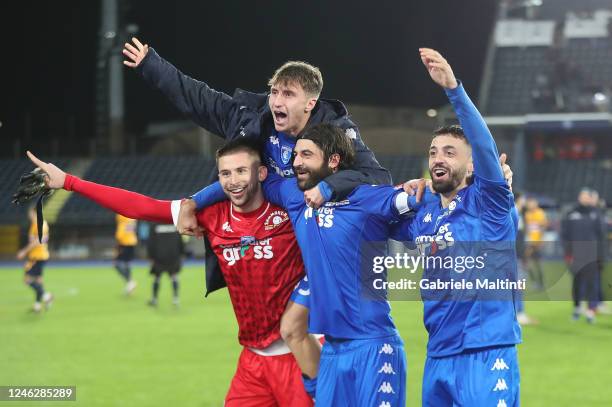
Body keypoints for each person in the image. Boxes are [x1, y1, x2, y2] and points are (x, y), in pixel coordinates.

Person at [123, 37, 391, 390]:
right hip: (278, 248)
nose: (277, 101)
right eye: (274, 92)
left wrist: (327, 187)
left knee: (323, 338)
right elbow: (199, 99)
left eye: (288, 95)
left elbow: (379, 179)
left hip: (325, 253)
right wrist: (150, 64)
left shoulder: (337, 133)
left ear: (311, 103)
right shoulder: (256, 120)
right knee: (291, 336)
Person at [26, 143, 314, 406]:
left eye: (241, 171)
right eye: (225, 173)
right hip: (252, 360)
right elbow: (141, 207)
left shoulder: (291, 213)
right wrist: (69, 182)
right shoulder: (212, 215)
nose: (233, 180)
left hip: (298, 353)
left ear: (262, 172)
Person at [391, 48, 521, 406]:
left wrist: (453, 89)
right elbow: (375, 218)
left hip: (485, 351)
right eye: (434, 152)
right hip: (437, 356)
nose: (438, 159)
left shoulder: (490, 204)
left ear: (473, 165)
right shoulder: (425, 217)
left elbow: (483, 144)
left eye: (450, 152)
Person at [561, 188, 606, 324]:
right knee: (577, 283)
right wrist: (567, 253)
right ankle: (577, 308)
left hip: (591, 254)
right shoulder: (571, 213)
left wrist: (601, 256)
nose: (584, 198)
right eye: (582, 196)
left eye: (587, 196)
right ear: (579, 197)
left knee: (592, 284)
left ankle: (591, 311)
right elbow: (565, 235)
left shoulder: (596, 213)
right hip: (575, 254)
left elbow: (601, 236)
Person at [17, 206, 53, 312]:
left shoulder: (39, 224)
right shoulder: (38, 223)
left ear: (34, 212)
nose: (29, 216)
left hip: (37, 257)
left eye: (30, 213)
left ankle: (47, 296)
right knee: (38, 281)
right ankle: (37, 306)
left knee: (27, 280)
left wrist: (24, 251)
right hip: (39, 256)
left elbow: (37, 241)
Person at [146, 223, 184, 307]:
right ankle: (176, 299)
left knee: (157, 277)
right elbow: (180, 239)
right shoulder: (175, 223)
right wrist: (181, 253)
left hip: (159, 256)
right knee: (174, 276)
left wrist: (150, 256)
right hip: (173, 255)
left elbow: (151, 241)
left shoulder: (154, 224)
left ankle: (154, 299)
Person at [524, 196, 548, 290]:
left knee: (538, 263)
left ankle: (541, 283)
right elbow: (527, 228)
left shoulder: (540, 213)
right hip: (529, 242)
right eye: (529, 203)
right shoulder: (527, 214)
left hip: (538, 243)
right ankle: (534, 282)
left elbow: (543, 227)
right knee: (527, 262)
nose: (530, 205)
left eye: (532, 203)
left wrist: (541, 240)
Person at [115, 214, 138, 295]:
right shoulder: (132, 216)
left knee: (117, 264)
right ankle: (129, 285)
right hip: (132, 241)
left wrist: (118, 242)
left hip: (124, 243)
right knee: (127, 264)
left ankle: (130, 281)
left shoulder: (123, 216)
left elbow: (120, 233)